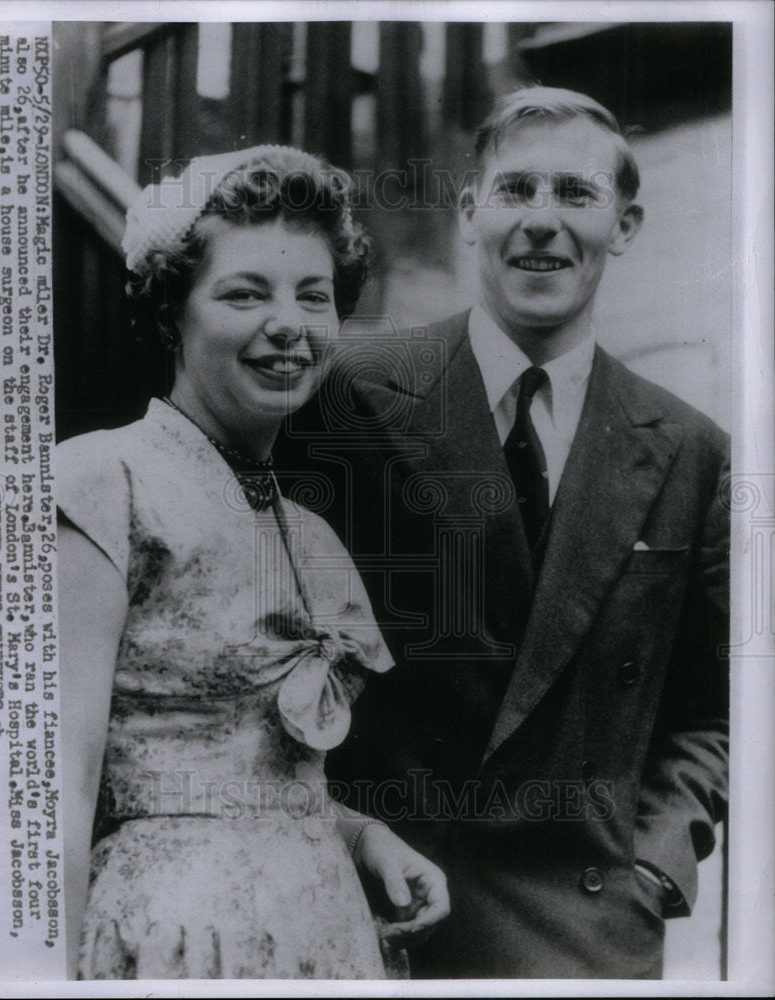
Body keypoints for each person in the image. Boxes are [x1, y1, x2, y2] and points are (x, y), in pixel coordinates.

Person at [277, 88, 730, 978]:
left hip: (586, 925)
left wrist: (655, 863)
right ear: (468, 210)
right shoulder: (350, 393)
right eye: (516, 190)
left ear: (625, 224)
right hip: (378, 905)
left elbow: (710, 710)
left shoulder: (689, 451)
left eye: (575, 194)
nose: (541, 222)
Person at [57, 145, 449, 980]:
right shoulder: (101, 481)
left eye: (314, 296)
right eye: (244, 293)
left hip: (326, 932)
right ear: (174, 312)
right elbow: (53, 793)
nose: (288, 325)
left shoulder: (308, 533)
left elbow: (263, 774)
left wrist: (365, 836)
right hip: (173, 944)